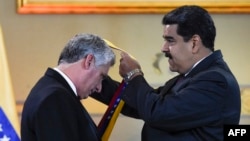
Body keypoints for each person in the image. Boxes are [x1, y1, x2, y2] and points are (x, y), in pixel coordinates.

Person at [91, 5, 241, 141]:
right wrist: (93, 78)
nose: (164, 48)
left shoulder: (215, 80)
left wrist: (134, 74)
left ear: (194, 43)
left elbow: (158, 113)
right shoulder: (191, 77)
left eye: (171, 40)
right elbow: (140, 105)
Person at [21, 33, 116, 141]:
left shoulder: (49, 90)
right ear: (88, 61)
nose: (99, 88)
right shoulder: (54, 98)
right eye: (101, 76)